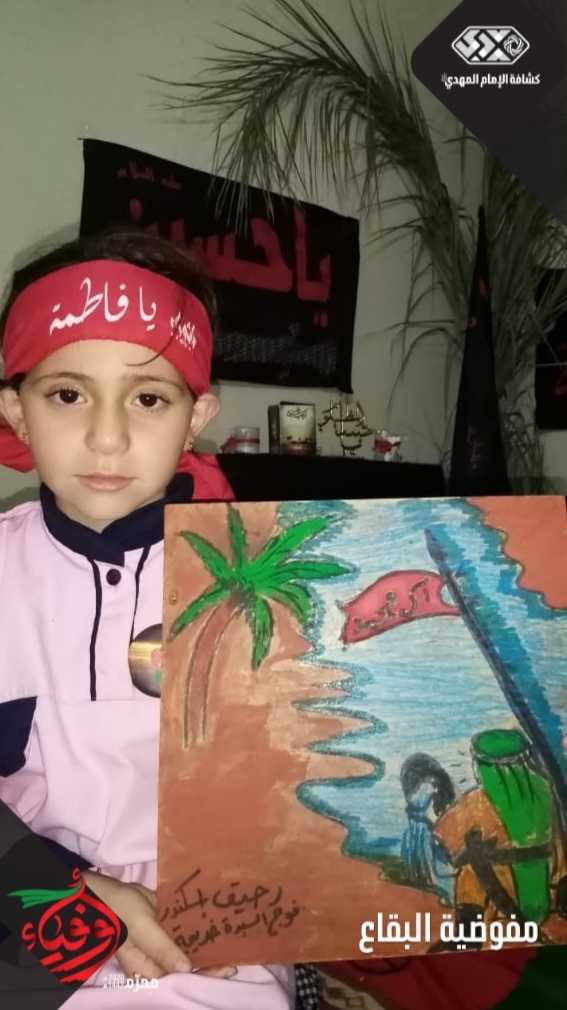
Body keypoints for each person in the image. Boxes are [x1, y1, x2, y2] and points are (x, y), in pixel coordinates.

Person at [0, 229, 295, 1008]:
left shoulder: (269, 577)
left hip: (214, 915)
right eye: (68, 395)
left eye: (149, 398)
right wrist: (63, 889)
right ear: (16, 410)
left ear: (196, 416)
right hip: (26, 899)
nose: (107, 437)